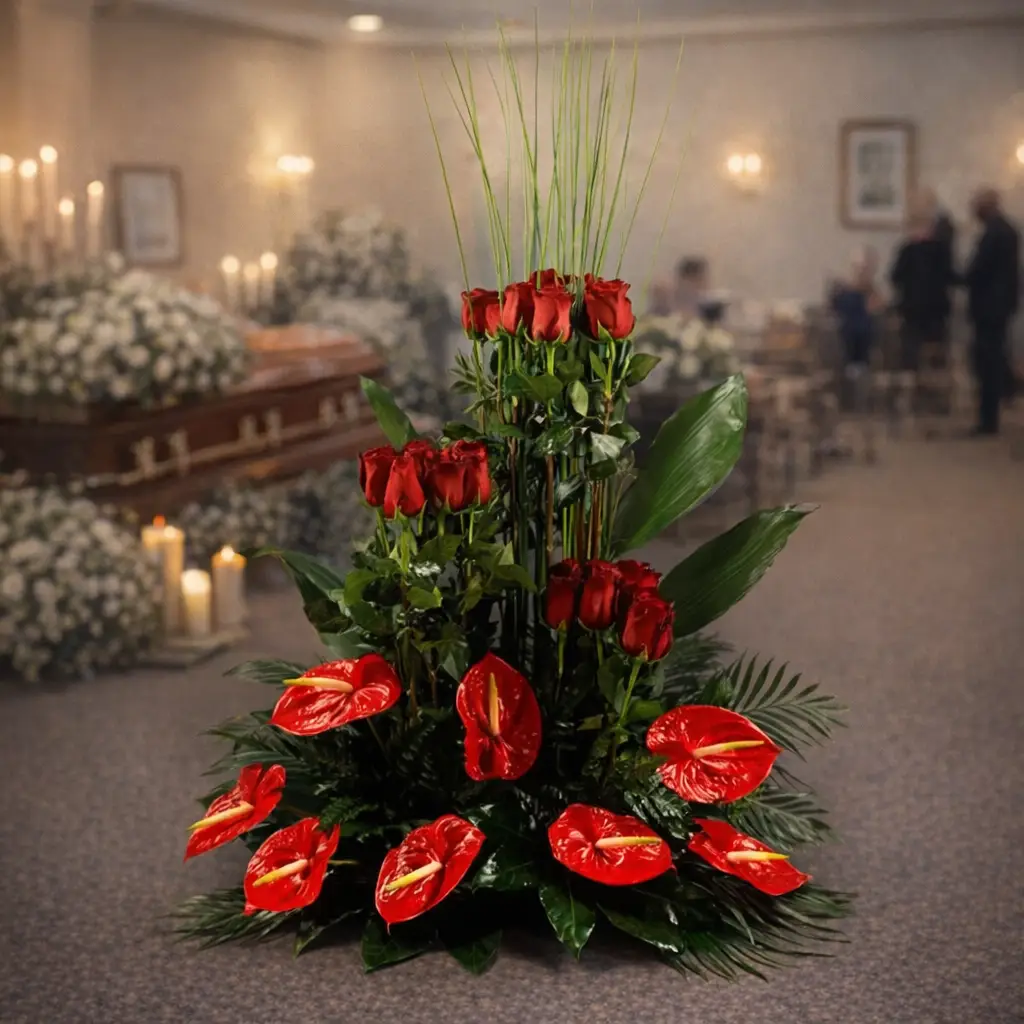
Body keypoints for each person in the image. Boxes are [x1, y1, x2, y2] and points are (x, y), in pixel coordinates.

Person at [963, 187, 1020, 435]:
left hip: (990, 308)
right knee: (994, 359)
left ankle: (989, 421)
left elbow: (980, 270)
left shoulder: (995, 233)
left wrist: (958, 277)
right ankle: (996, 408)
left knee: (988, 363)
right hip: (1000, 306)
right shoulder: (1008, 230)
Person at [889, 204, 954, 372]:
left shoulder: (907, 250)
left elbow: (895, 277)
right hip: (936, 310)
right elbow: (949, 277)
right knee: (936, 354)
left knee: (910, 354)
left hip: (912, 310)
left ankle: (911, 383)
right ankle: (935, 386)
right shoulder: (942, 250)